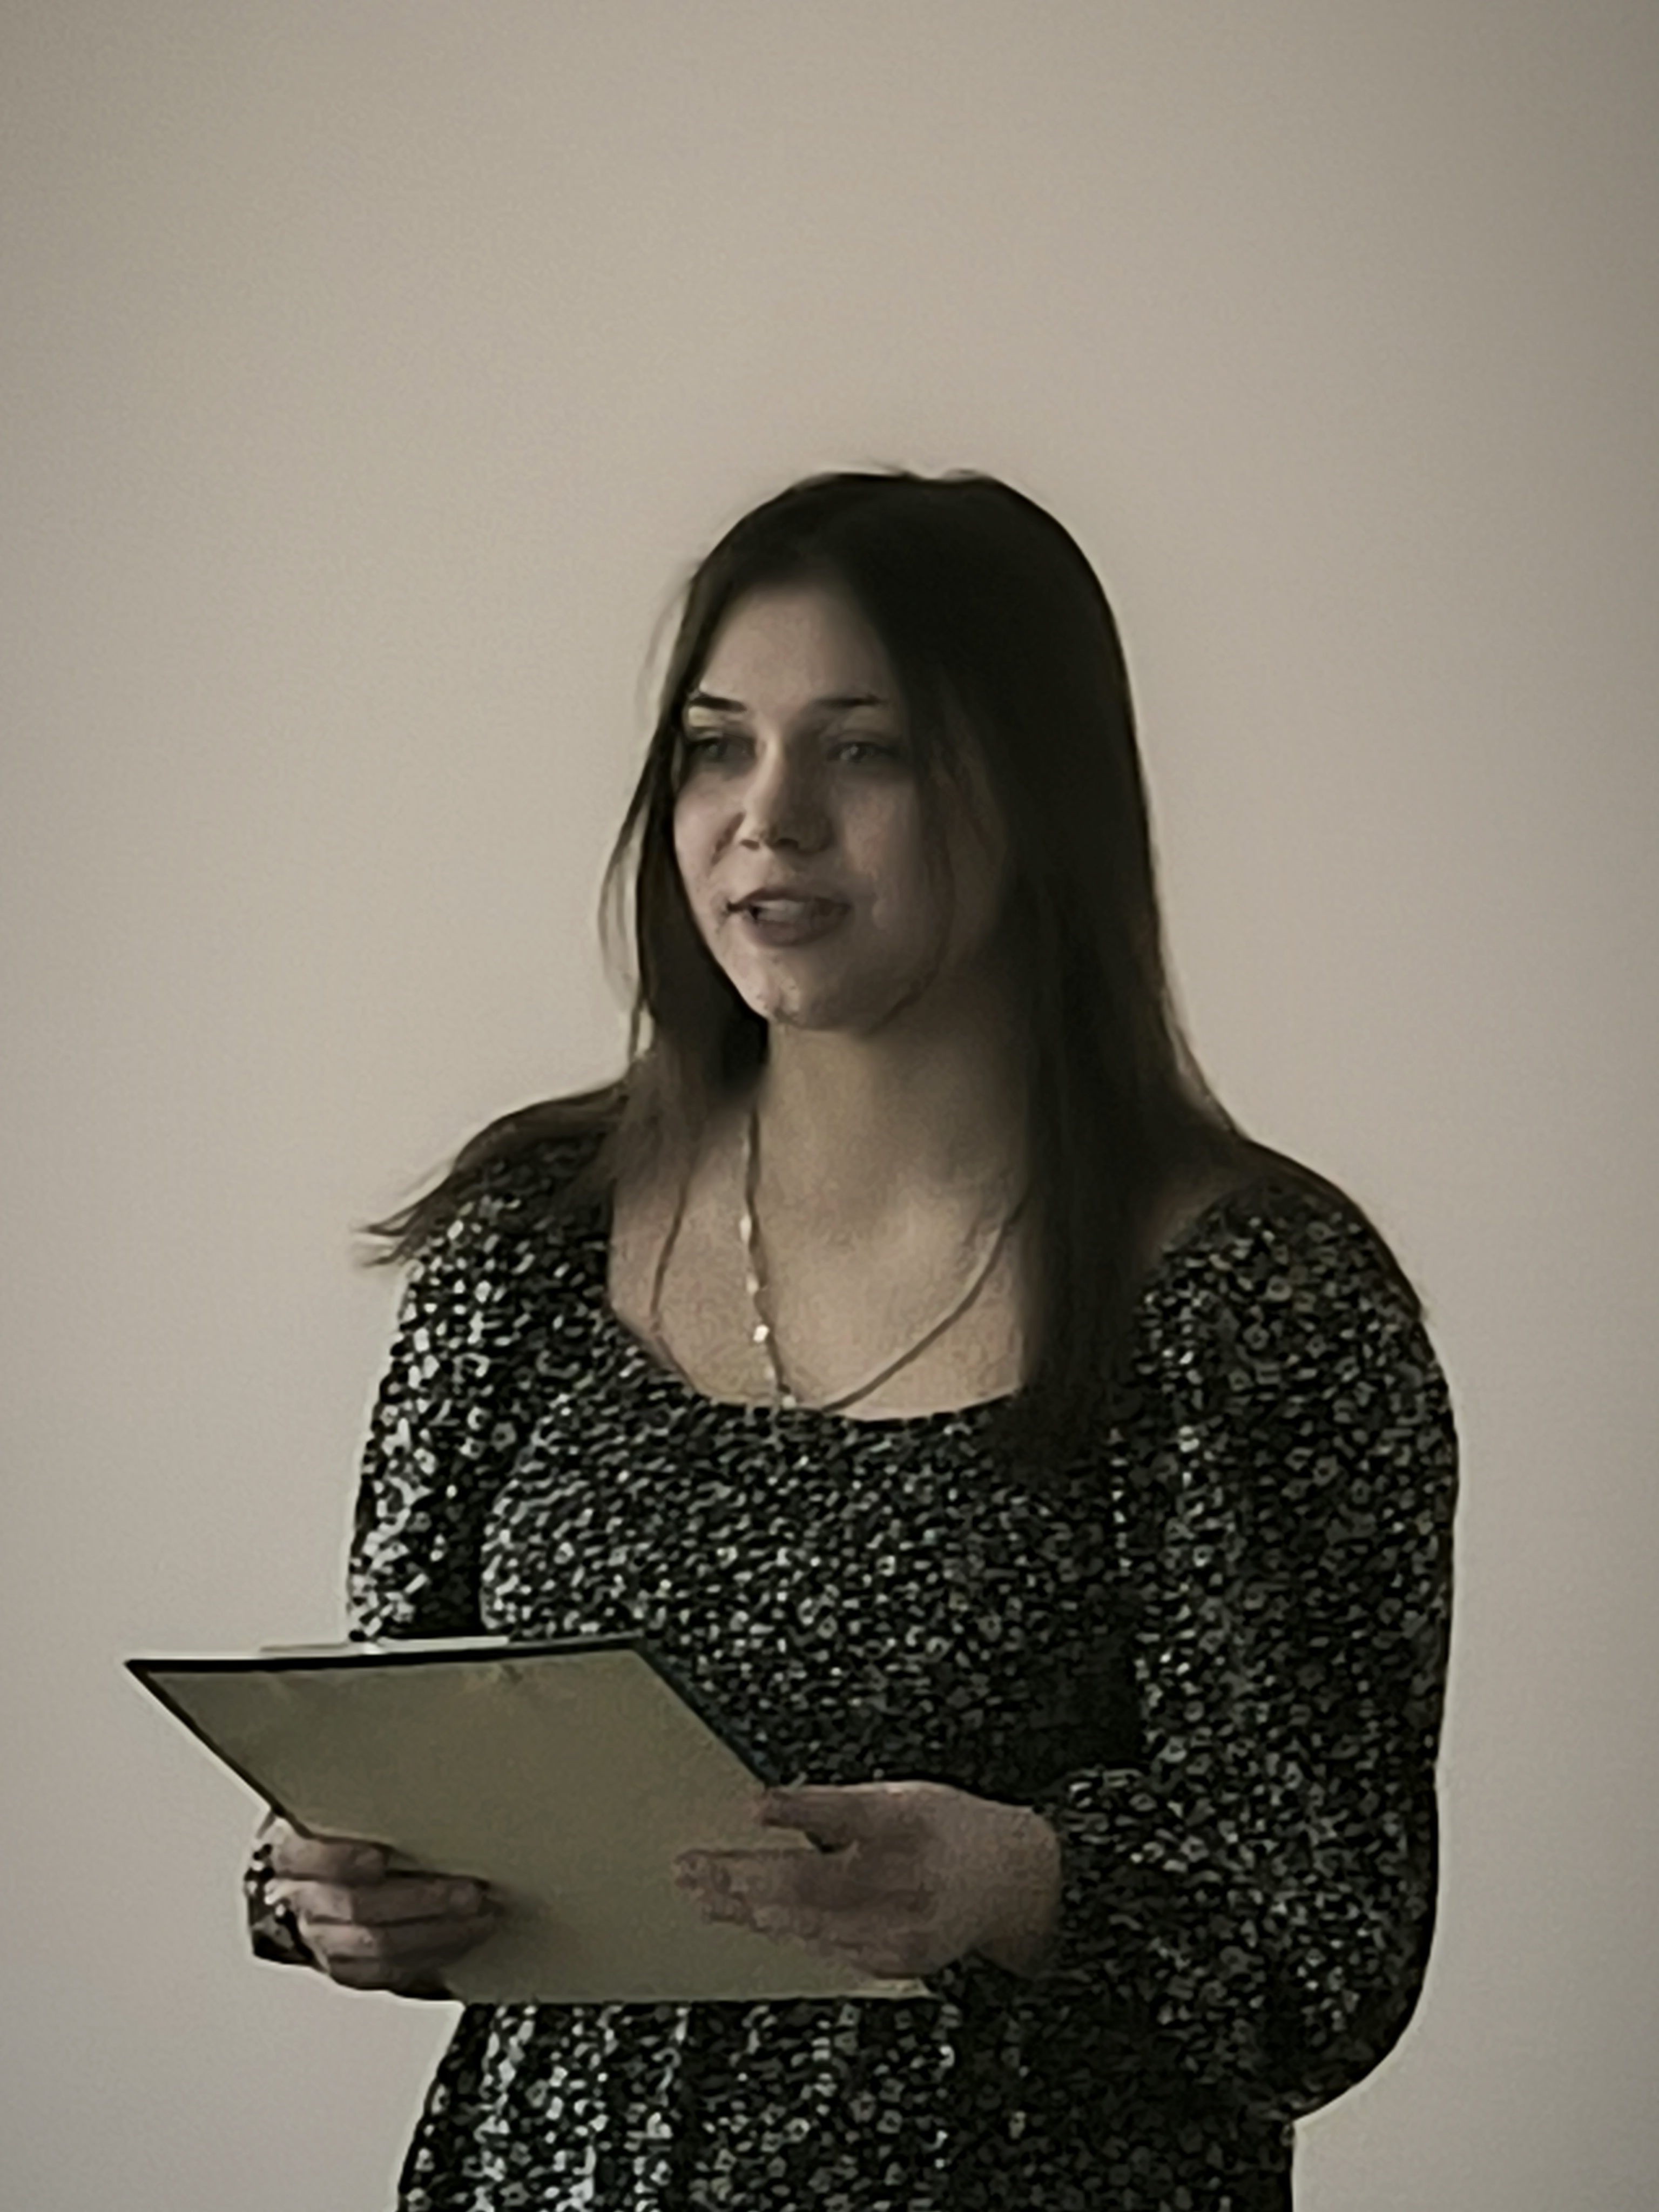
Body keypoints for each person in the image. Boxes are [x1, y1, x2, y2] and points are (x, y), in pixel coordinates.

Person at [247, 468, 1458, 2211]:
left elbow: (1332, 1938)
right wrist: (331, 1890)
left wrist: (1012, 1880)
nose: (770, 818)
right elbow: (389, 1738)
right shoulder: (528, 1237)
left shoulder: (1254, 1298)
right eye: (715, 749)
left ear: (1037, 793)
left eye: (865, 750)